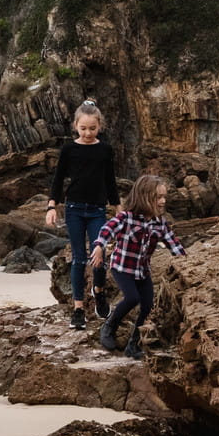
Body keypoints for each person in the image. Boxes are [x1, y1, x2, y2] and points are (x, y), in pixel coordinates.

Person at [92, 171, 182, 357]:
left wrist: (187, 263)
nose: (163, 201)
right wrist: (100, 246)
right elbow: (107, 229)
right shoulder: (126, 218)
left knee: (148, 305)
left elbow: (174, 245)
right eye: (158, 197)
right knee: (132, 298)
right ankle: (109, 327)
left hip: (142, 270)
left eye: (165, 197)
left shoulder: (160, 224)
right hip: (122, 267)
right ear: (144, 196)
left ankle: (134, 345)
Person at [48, 100, 122, 316]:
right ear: (75, 126)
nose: (88, 133)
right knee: (79, 259)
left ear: (100, 126)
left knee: (99, 255)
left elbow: (110, 180)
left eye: (92, 128)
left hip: (97, 210)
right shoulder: (69, 149)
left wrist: (118, 208)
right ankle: (78, 308)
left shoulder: (105, 150)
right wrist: (52, 206)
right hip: (74, 209)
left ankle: (98, 291)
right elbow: (58, 179)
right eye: (83, 128)